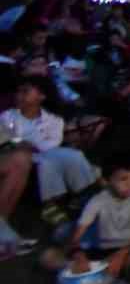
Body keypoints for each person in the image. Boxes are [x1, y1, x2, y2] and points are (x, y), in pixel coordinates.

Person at [43, 155, 130, 280]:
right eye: (123, 179)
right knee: (48, 257)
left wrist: (122, 254)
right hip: (100, 248)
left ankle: (117, 268)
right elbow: (76, 236)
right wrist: (78, 254)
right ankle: (94, 269)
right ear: (106, 181)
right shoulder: (98, 201)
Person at [0, 78, 97, 224]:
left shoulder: (54, 119)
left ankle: (84, 192)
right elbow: (10, 139)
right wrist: (26, 143)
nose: (19, 95)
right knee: (46, 162)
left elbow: (53, 143)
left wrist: (28, 142)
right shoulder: (8, 116)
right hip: (20, 156)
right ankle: (48, 204)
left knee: (74, 155)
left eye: (25, 91)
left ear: (41, 96)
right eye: (19, 91)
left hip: (45, 152)